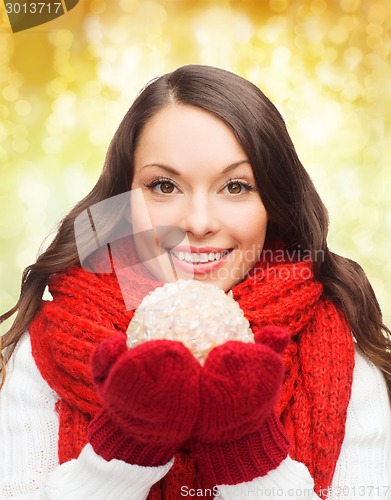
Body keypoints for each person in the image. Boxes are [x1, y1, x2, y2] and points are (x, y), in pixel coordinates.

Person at [0, 64, 390, 500]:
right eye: (164, 185)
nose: (199, 222)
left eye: (237, 186)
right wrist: (129, 444)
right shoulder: (42, 355)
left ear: (274, 204)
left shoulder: (346, 360)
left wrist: (246, 448)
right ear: (123, 201)